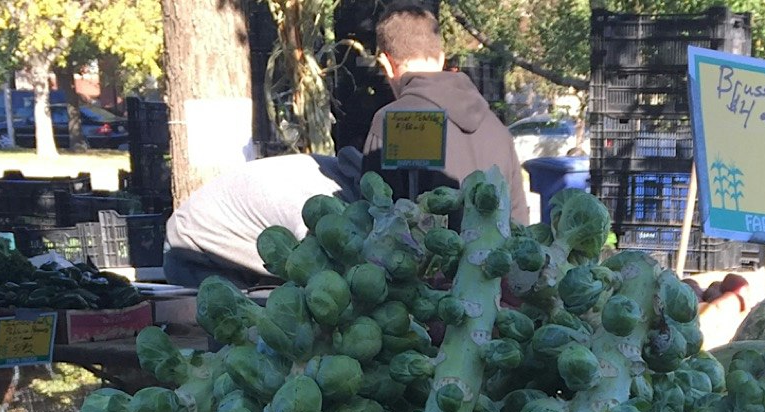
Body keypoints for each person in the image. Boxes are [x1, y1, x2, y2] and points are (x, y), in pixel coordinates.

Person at [362, 6, 529, 225]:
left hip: (426, 260)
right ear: (441, 58)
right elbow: (520, 223)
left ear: (386, 63)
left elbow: (376, 227)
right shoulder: (496, 127)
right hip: (496, 259)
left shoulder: (390, 122)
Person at [161, 151, 362, 289]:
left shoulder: (335, 175)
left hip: (218, 235)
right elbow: (318, 272)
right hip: (194, 251)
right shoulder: (323, 201)